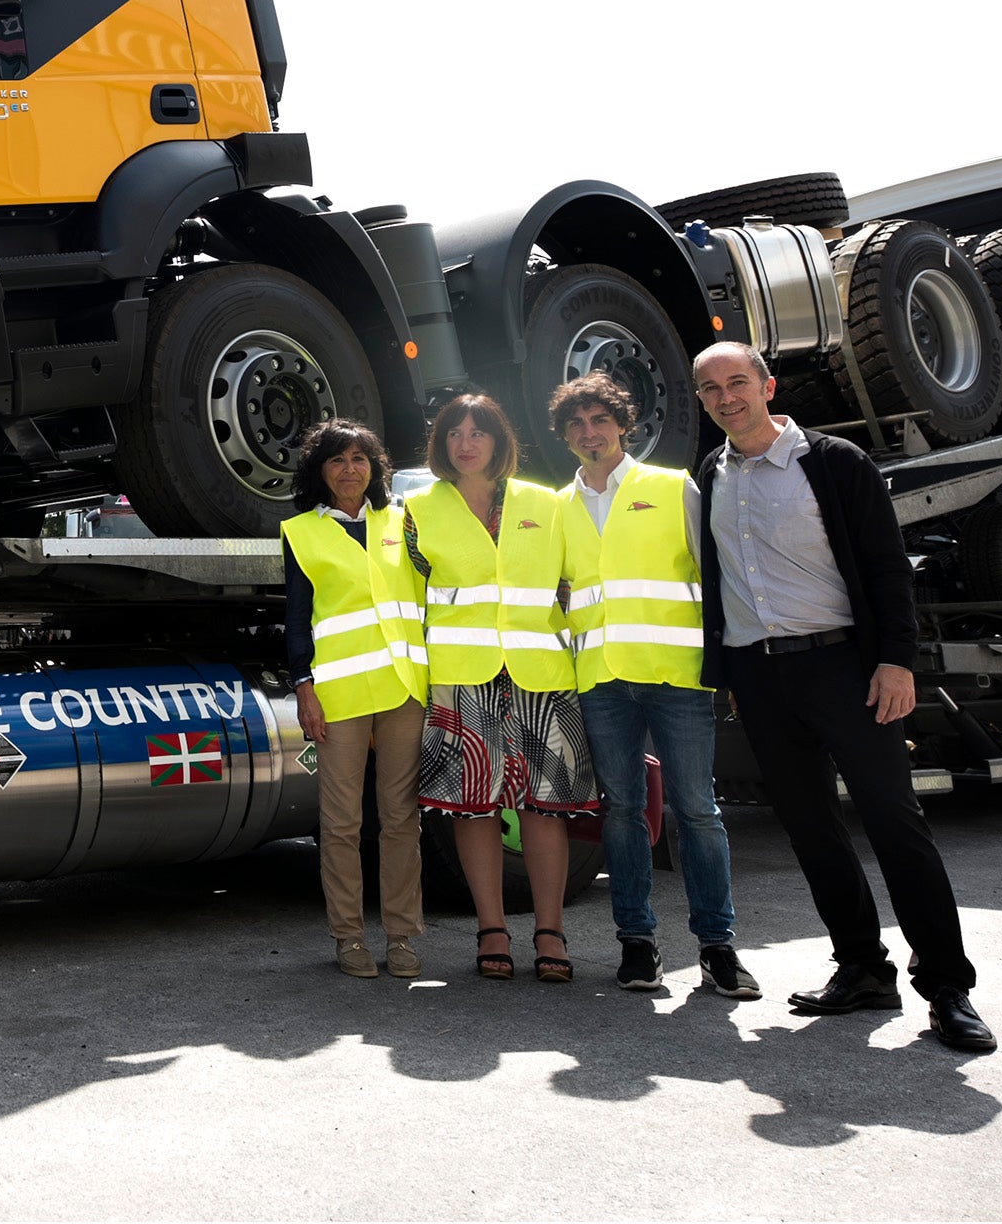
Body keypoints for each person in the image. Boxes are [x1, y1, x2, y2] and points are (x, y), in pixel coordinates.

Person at [690, 342, 996, 1052]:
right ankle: (860, 967)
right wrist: (732, 676)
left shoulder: (831, 462)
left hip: (843, 667)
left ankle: (947, 987)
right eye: (710, 389)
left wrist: (895, 661)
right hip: (760, 676)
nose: (725, 397)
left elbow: (887, 569)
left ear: (766, 385)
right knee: (808, 826)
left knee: (894, 821)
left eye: (737, 382)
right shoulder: (710, 474)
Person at [549, 373, 758, 1001]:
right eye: (577, 425)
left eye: (599, 421)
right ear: (565, 437)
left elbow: (717, 579)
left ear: (622, 425)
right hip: (601, 679)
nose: (590, 433)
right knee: (621, 812)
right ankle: (637, 945)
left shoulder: (671, 488)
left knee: (696, 810)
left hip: (677, 676)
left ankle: (718, 948)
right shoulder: (556, 508)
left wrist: (729, 668)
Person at [403, 392, 600, 983]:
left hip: (542, 677)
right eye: (455, 433)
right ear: (442, 445)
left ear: (498, 440)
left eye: (478, 432)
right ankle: (491, 929)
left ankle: (549, 931)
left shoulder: (548, 503)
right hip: (463, 680)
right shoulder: (417, 510)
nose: (466, 443)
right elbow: (410, 606)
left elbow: (581, 583)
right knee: (473, 809)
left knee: (545, 809)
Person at [283, 419, 428, 980]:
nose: (350, 469)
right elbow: (297, 621)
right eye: (338, 460)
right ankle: (348, 936)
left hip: (403, 688)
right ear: (320, 472)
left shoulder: (402, 522)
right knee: (341, 821)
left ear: (375, 467)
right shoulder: (301, 532)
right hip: (338, 694)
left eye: (360, 458)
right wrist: (303, 687)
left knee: (401, 819)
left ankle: (402, 935)